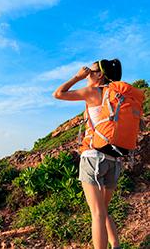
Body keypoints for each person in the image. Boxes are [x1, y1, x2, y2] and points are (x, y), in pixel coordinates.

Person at [52, 59, 122, 249]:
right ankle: (115, 245)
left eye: (90, 71)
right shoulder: (118, 96)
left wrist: (77, 76)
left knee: (97, 214)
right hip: (114, 160)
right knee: (103, 210)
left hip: (94, 158)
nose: (86, 73)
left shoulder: (94, 92)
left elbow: (58, 94)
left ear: (100, 75)